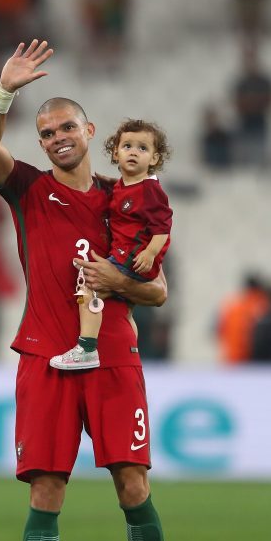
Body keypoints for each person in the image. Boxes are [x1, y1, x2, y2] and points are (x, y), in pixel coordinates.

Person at [0, 40, 170, 541]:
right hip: (45, 357)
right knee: (46, 491)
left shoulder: (125, 196)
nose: (57, 137)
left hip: (111, 357)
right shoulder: (28, 189)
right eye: (46, 131)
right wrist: (4, 91)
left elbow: (159, 289)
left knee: (132, 485)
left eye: (66, 127)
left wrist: (121, 283)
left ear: (90, 131)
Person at [49, 118, 172, 370]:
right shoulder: (125, 186)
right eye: (127, 146)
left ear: (155, 159)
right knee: (123, 305)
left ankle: (86, 348)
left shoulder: (151, 191)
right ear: (115, 153)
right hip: (127, 256)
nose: (134, 152)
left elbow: (163, 227)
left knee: (88, 284)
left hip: (132, 259)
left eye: (142, 148)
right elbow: (123, 193)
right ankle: (127, 342)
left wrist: (150, 253)